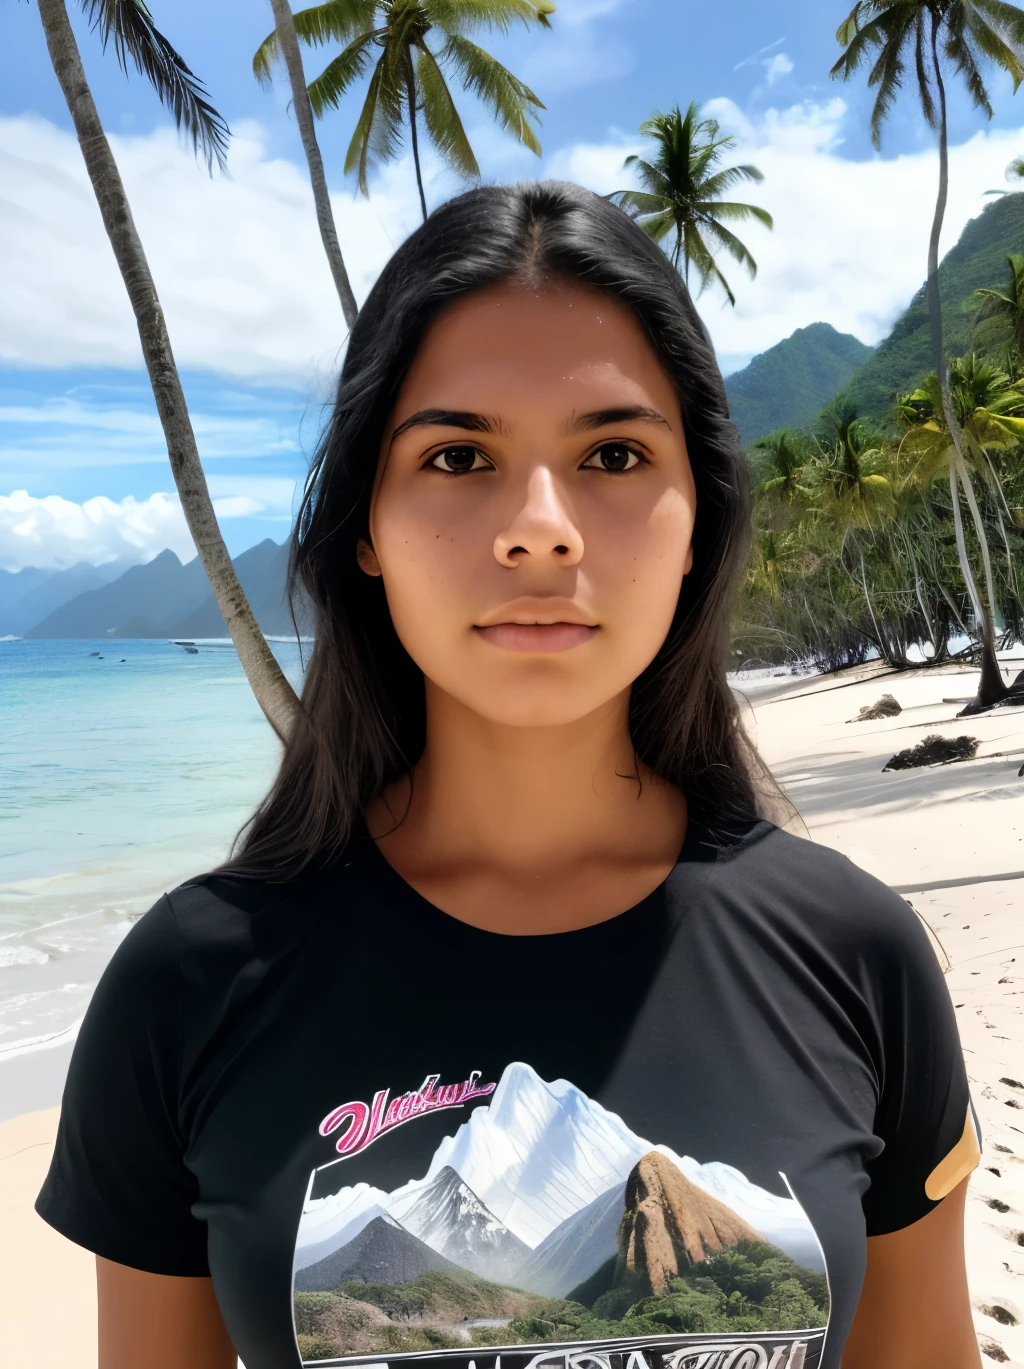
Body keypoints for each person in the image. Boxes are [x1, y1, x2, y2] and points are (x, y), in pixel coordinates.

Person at [37, 183, 981, 1369]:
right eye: (458, 453)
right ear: (366, 528)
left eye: (615, 453)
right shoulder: (192, 985)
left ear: (697, 518)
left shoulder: (854, 953)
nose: (540, 529)